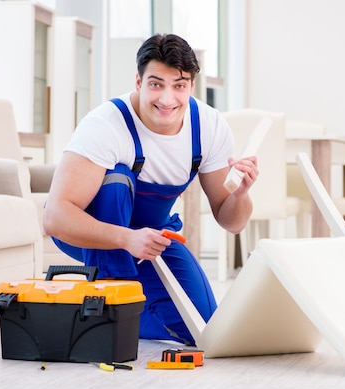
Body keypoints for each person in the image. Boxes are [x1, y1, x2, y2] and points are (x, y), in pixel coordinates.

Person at [43, 33, 258, 345]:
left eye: (179, 85)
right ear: (139, 82)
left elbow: (232, 222)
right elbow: (55, 218)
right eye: (156, 84)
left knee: (203, 329)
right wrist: (126, 238)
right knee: (117, 179)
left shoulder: (208, 126)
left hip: (154, 236)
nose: (167, 99)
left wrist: (240, 193)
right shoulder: (106, 125)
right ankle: (113, 296)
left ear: (192, 87)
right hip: (95, 232)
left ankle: (108, 310)